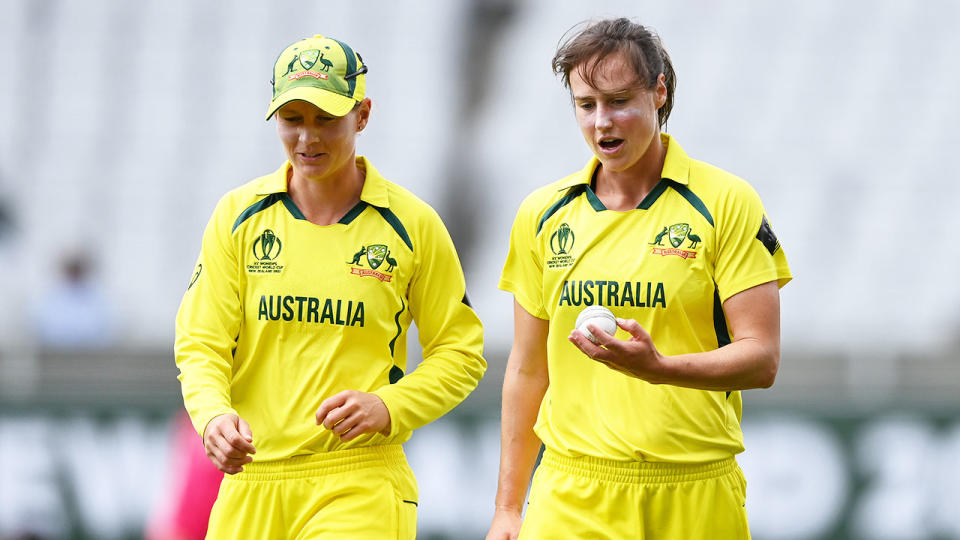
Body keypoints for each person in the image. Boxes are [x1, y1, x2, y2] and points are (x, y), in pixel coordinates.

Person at [487, 18, 791, 540]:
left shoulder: (726, 203)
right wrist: (509, 509)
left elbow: (761, 358)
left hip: (694, 489)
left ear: (659, 91)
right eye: (586, 105)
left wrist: (660, 368)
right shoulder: (542, 214)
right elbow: (528, 369)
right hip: (572, 489)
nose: (602, 122)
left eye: (619, 100)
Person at [175, 34, 486, 540]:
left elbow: (461, 351)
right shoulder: (237, 217)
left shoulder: (412, 225)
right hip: (251, 482)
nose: (307, 138)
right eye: (292, 119)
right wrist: (212, 416)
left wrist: (390, 406)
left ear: (362, 115)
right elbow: (201, 340)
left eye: (326, 118)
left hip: (359, 481)